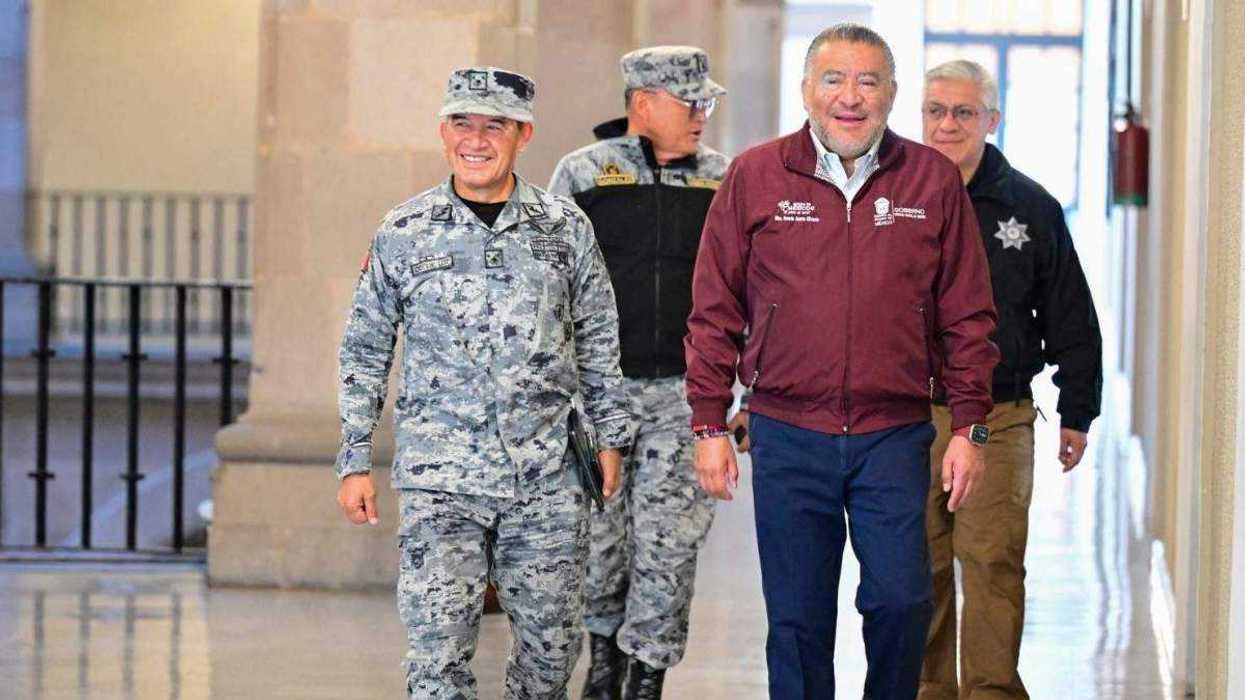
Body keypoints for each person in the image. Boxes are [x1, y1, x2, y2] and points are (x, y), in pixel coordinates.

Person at [685, 24, 1000, 700]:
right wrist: (708, 422)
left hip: (894, 433)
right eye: (833, 80)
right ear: (806, 90)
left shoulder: (931, 180)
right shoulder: (755, 175)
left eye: (867, 81)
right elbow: (714, 308)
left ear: (891, 94)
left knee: (902, 601)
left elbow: (967, 315)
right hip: (788, 432)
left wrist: (971, 426)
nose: (849, 98)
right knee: (797, 619)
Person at [334, 66, 634, 699]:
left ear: (524, 134)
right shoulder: (405, 231)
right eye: (461, 123)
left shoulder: (565, 228)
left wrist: (611, 437)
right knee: (437, 658)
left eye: (494, 125)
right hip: (440, 481)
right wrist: (354, 457)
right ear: (443, 132)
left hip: (547, 478)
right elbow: (365, 347)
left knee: (551, 657)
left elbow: (599, 338)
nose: (476, 139)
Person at [548, 46, 730, 699]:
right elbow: (549, 288)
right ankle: (603, 663)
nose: (702, 115)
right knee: (598, 539)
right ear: (644, 103)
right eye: (690, 103)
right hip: (599, 396)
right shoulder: (582, 174)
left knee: (670, 545)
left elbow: (752, 289)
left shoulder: (722, 180)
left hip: (687, 397)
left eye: (707, 103)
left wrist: (742, 393)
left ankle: (646, 675)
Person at [918, 59, 1102, 700]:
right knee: (917, 567)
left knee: (992, 562)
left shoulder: (1030, 207)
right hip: (909, 416)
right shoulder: (894, 199)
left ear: (991, 120)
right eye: (935, 111)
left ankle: (991, 691)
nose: (947, 125)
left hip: (997, 415)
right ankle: (928, 689)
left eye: (963, 112)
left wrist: (1077, 410)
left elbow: (1071, 312)